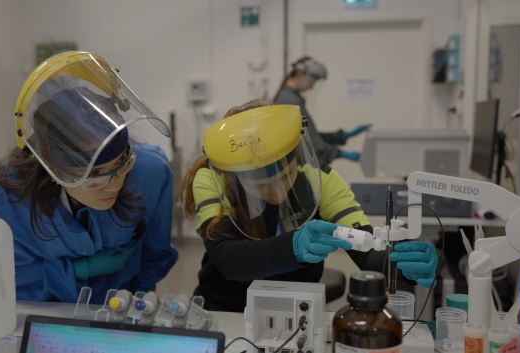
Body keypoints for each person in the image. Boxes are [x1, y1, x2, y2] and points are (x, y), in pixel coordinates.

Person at [177, 99, 438, 312]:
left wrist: (402, 265)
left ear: (298, 157)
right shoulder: (213, 180)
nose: (277, 194)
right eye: (259, 186)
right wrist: (294, 247)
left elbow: (365, 249)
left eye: (285, 176)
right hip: (225, 308)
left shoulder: (321, 181)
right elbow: (226, 258)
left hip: (297, 310)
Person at [0, 51, 178, 304]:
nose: (115, 184)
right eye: (94, 176)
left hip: (118, 305)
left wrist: (138, 299)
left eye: (122, 164)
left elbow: (155, 252)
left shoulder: (151, 172)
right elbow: (1, 277)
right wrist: (75, 270)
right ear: (53, 166)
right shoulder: (8, 198)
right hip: (43, 312)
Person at [274, 57, 370, 164]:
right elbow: (310, 142)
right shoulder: (291, 100)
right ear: (301, 73)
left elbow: (310, 135)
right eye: (312, 81)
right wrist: (340, 153)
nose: (312, 87)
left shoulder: (289, 96)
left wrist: (342, 136)